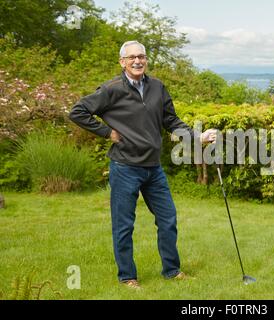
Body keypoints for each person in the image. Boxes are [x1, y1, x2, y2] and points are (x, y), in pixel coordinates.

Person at [69, 40, 216, 289]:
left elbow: (171, 120)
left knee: (168, 219)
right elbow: (78, 111)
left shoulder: (157, 87)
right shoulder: (111, 89)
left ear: (146, 60)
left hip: (153, 168)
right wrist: (107, 133)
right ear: (122, 62)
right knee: (124, 225)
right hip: (125, 167)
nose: (138, 61)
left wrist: (197, 137)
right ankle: (128, 277)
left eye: (142, 56)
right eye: (132, 57)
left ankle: (171, 270)